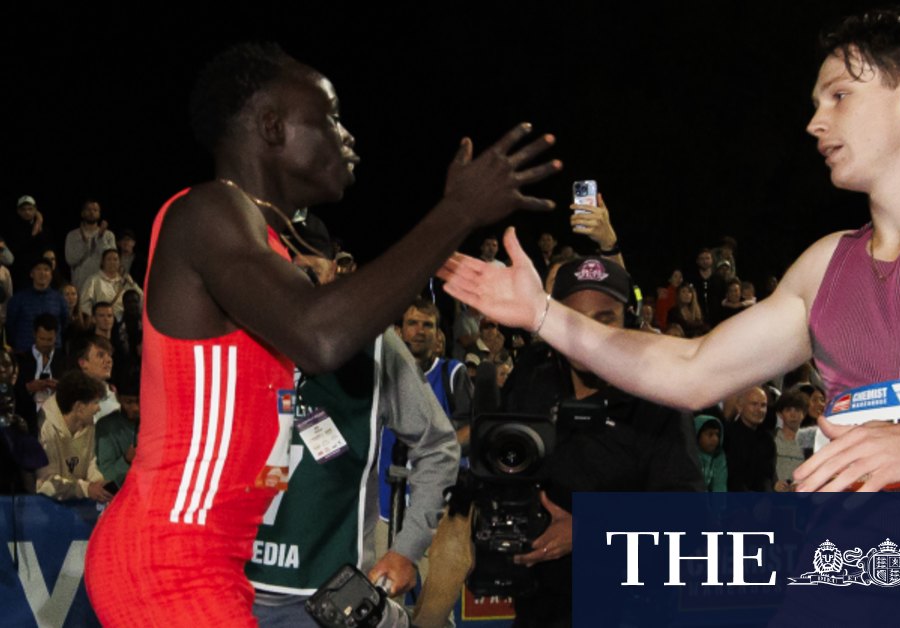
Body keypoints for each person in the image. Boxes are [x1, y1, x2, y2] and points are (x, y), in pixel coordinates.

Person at [439, 8, 900, 493]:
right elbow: (692, 369)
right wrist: (544, 317)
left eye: (839, 95)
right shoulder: (827, 263)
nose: (814, 121)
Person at [84, 42, 560, 626]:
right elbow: (322, 337)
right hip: (167, 559)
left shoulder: (268, 248)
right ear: (271, 126)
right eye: (330, 117)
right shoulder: (208, 212)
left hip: (216, 565)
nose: (347, 136)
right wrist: (456, 212)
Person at [499, 256, 704, 626]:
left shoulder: (659, 399)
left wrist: (589, 529)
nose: (588, 335)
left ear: (629, 319)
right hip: (540, 604)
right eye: (575, 319)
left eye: (604, 319)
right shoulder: (533, 381)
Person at [249, 330, 457, 627]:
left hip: (329, 598)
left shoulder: (375, 341)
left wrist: (406, 549)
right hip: (224, 587)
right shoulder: (230, 319)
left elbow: (438, 447)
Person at [34, 369, 111, 501]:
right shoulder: (46, 429)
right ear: (79, 407)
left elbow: (92, 465)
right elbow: (46, 483)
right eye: (95, 403)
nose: (98, 408)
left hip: (81, 505)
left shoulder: (89, 423)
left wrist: (98, 484)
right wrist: (85, 489)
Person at [694, 414, 727, 492]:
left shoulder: (719, 456)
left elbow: (720, 488)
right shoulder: (688, 455)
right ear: (697, 434)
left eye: (718, 435)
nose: (715, 439)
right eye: (710, 434)